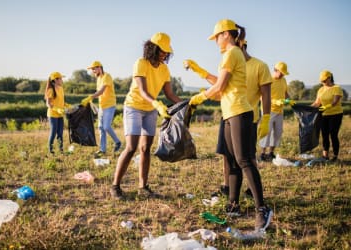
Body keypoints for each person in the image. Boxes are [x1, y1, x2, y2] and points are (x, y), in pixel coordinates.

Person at [187, 19, 272, 231]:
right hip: (229, 113)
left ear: (226, 34)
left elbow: (220, 86)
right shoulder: (231, 55)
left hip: (240, 112)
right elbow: (223, 87)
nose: (215, 41)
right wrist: (201, 74)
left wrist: (200, 96)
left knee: (244, 159)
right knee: (232, 161)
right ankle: (233, 205)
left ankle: (262, 209)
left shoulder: (232, 52)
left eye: (216, 37)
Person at [110, 32, 182, 199]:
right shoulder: (141, 63)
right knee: (131, 147)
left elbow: (170, 93)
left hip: (150, 110)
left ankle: (143, 187)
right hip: (134, 107)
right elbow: (143, 91)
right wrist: (156, 103)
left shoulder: (164, 69)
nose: (164, 54)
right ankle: (115, 186)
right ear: (153, 49)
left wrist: (185, 104)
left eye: (166, 52)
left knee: (145, 148)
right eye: (162, 51)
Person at [81, 61, 122, 157]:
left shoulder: (107, 76)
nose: (93, 71)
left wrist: (91, 97)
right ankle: (102, 149)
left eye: (94, 69)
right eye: (92, 70)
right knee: (100, 128)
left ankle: (118, 142)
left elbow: (102, 91)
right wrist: (92, 100)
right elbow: (98, 92)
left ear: (99, 68)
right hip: (102, 106)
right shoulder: (98, 79)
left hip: (109, 105)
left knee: (106, 126)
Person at [259, 62, 294, 161]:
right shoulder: (268, 80)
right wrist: (275, 101)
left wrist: (289, 100)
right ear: (276, 70)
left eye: (284, 73)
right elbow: (261, 97)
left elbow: (285, 93)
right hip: (268, 111)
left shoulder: (283, 80)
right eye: (281, 73)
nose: (283, 75)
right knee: (267, 132)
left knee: (277, 132)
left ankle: (271, 153)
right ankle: (262, 153)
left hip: (279, 111)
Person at [311, 70, 343, 161]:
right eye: (322, 81)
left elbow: (335, 102)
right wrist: (307, 108)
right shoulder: (321, 90)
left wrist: (326, 106)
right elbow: (317, 103)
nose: (323, 82)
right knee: (324, 134)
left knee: (333, 134)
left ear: (329, 78)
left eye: (324, 80)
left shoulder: (337, 88)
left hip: (336, 114)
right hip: (324, 115)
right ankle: (325, 155)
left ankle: (335, 156)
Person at [45, 72, 70, 154]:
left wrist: (67, 105)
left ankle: (61, 150)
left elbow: (61, 101)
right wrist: (57, 109)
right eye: (60, 78)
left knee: (60, 133)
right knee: (53, 132)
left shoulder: (61, 88)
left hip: (60, 114)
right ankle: (50, 150)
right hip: (52, 114)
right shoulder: (50, 90)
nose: (62, 80)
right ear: (55, 80)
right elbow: (48, 104)